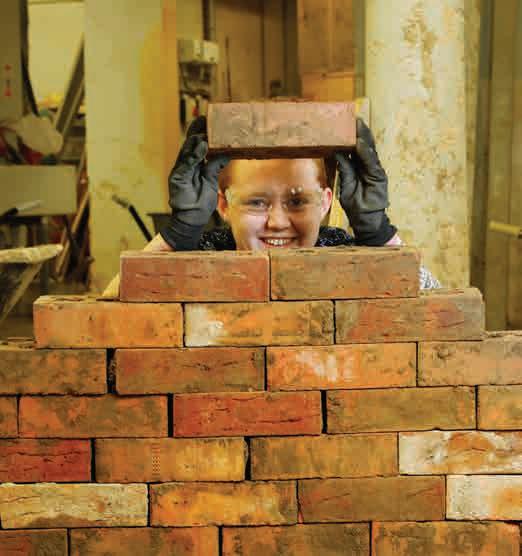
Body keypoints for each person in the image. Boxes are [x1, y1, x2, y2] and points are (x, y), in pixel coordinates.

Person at [102, 116, 439, 297]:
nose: (277, 222)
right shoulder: (203, 255)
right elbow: (112, 303)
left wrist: (377, 233)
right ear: (223, 204)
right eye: (257, 202)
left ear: (326, 202)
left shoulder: (345, 254)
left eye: (297, 201)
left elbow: (434, 300)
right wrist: (179, 235)